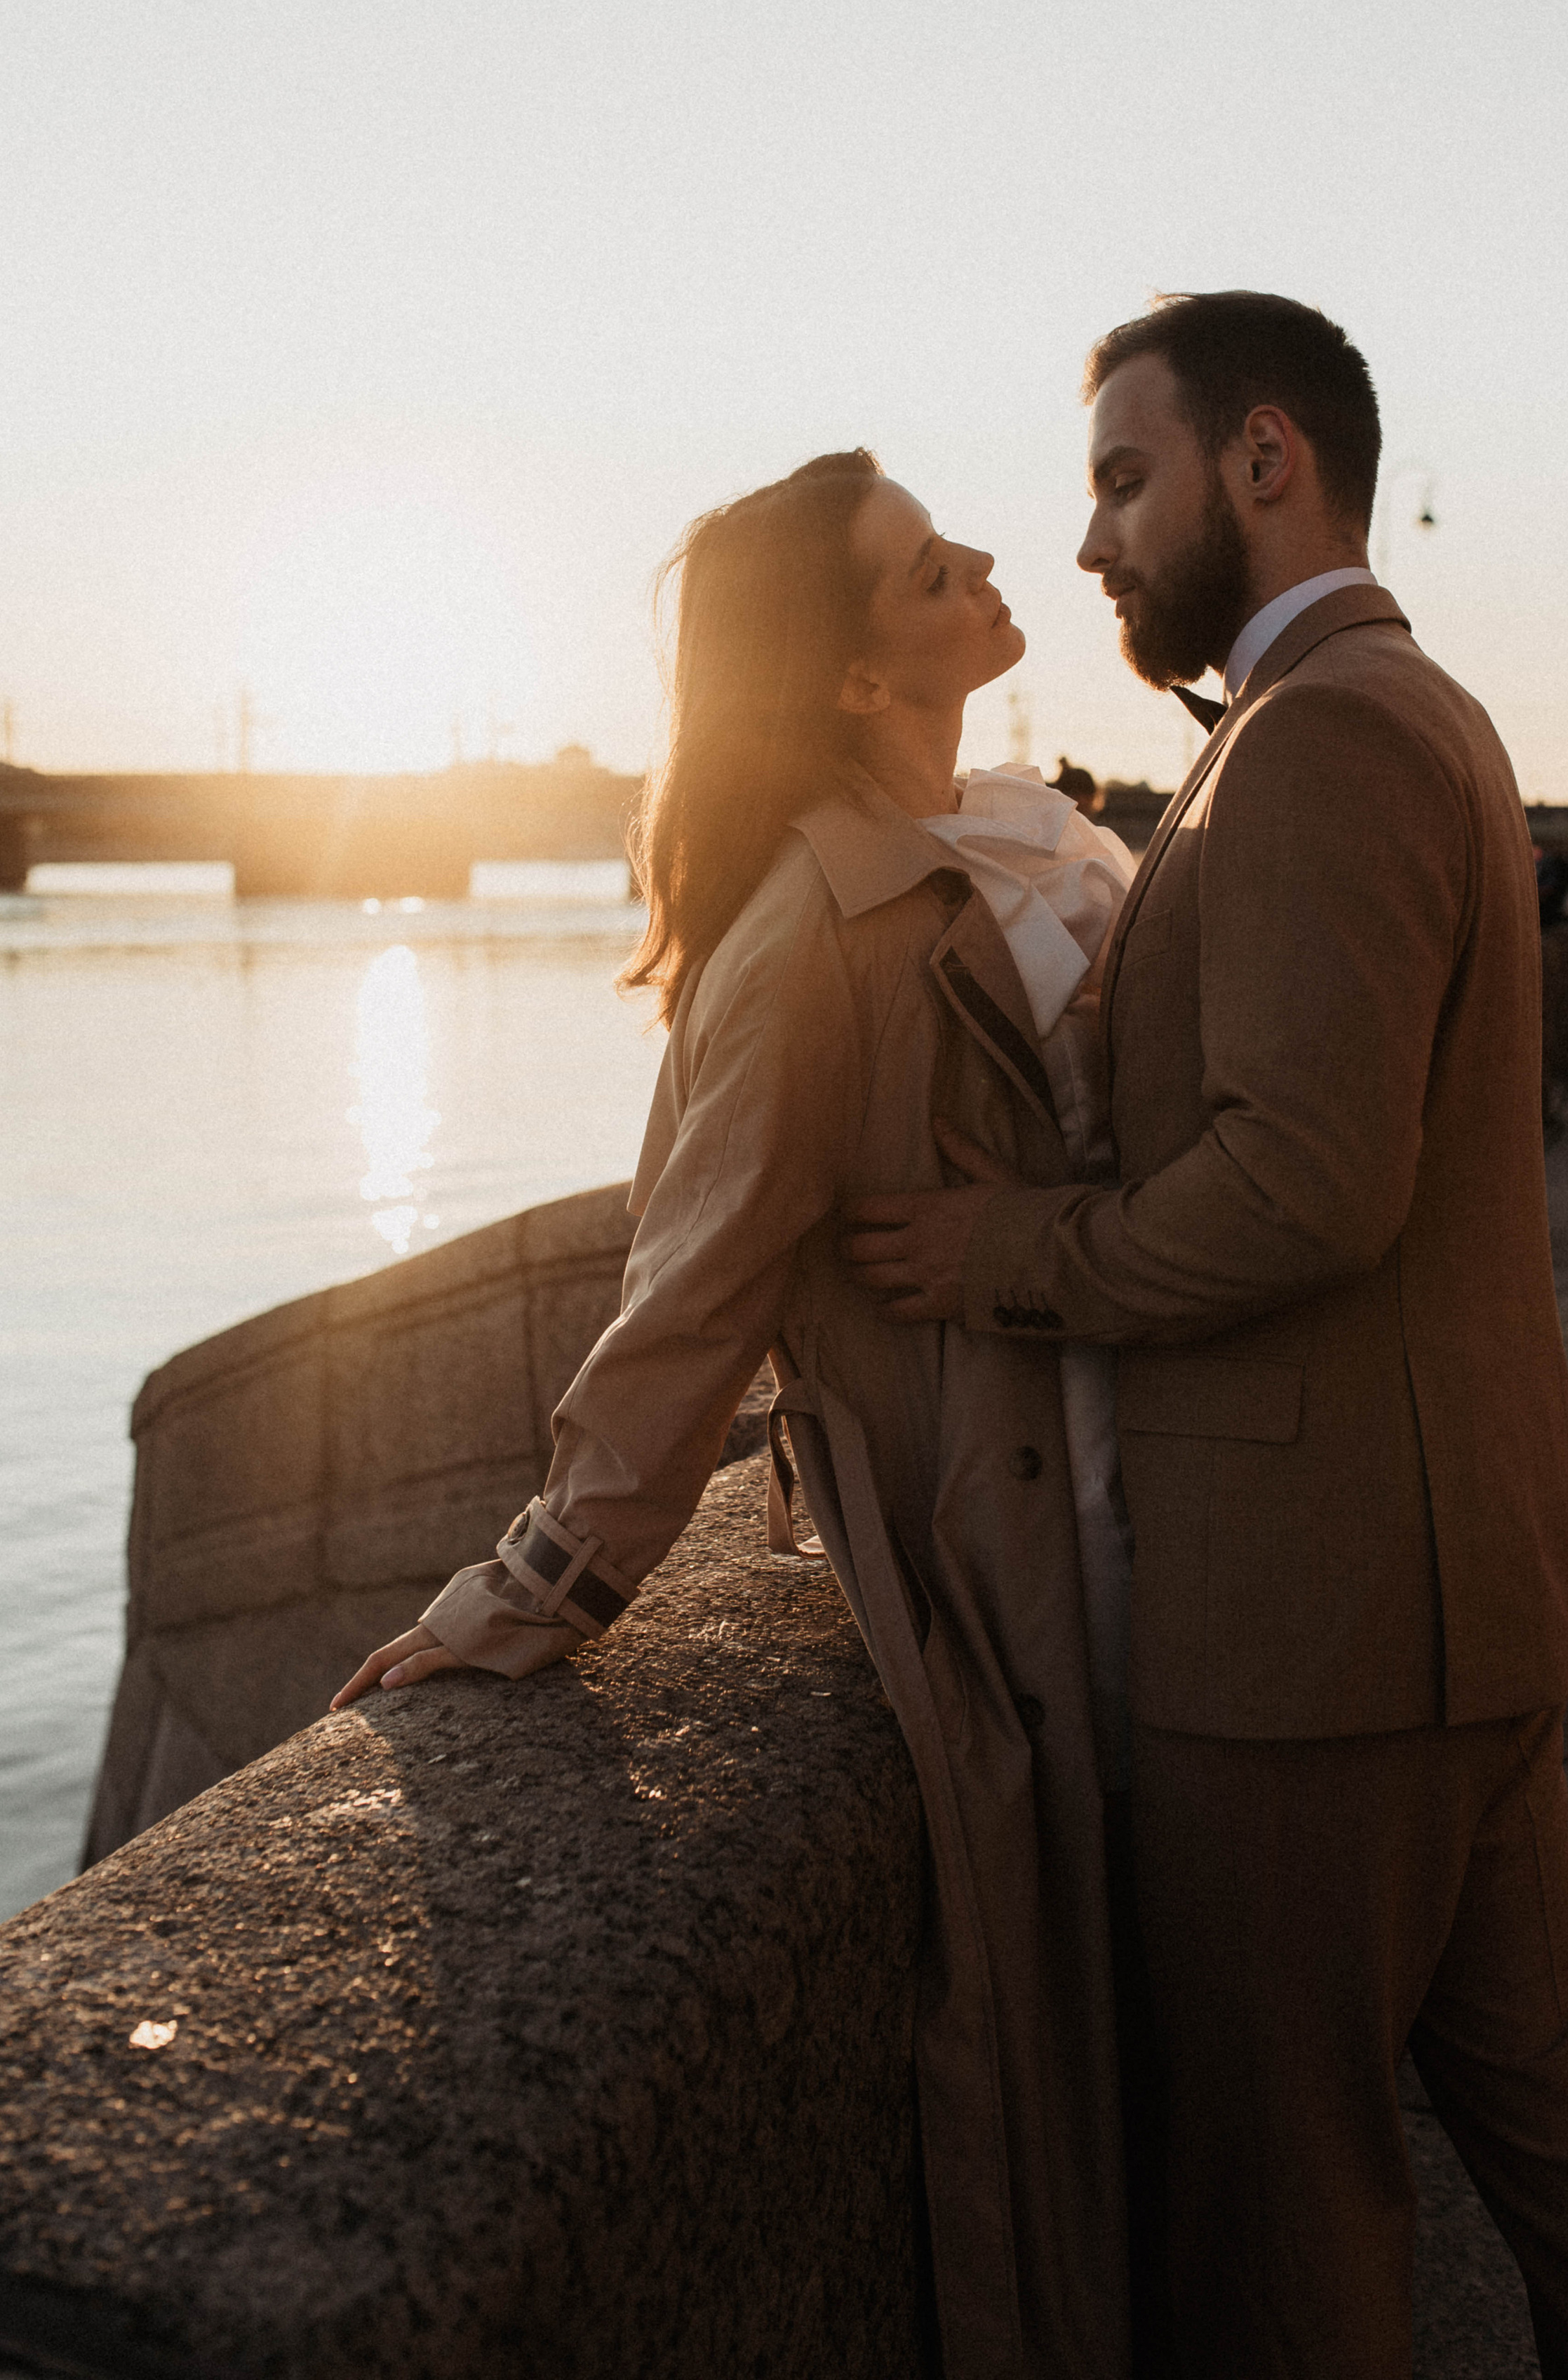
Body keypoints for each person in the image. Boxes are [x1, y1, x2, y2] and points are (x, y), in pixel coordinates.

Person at [842, 295, 1568, 2378]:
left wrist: (1005, 1252)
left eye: (1122, 480)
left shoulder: (1324, 735)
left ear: (1266, 458)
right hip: (1452, 1592)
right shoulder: (1398, 707)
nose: (1090, 543)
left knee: (1287, 2196)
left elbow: (1307, 1183)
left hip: (1318, 1637)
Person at [332, 450, 1136, 2380]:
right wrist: (530, 1594)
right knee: (1056, 2072)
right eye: (928, 571)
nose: (983, 562)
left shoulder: (1018, 836)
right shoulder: (809, 938)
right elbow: (688, 1299)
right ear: (852, 677)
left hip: (1127, 1481)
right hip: (1003, 1536)